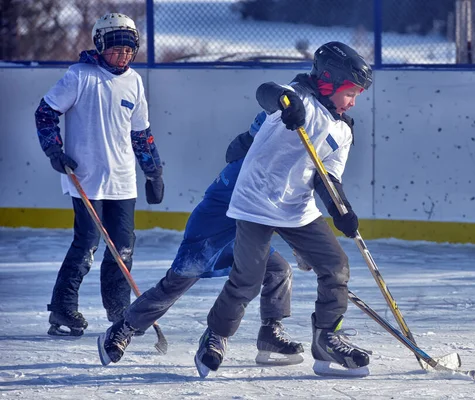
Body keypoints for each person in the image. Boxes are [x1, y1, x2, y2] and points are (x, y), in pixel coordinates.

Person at [196, 42, 374, 378]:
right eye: (351, 92)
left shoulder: (343, 130)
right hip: (256, 203)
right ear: (330, 81)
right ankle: (216, 335)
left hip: (297, 209)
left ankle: (326, 340)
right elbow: (267, 92)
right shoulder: (297, 97)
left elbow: (328, 177)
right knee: (248, 280)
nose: (353, 101)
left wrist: (342, 210)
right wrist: (284, 104)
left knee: (336, 267)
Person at [97, 112, 305, 369]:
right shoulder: (250, 167)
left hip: (243, 232)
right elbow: (274, 211)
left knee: (278, 270)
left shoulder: (271, 161)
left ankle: (269, 334)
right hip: (209, 234)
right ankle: (123, 328)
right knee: (176, 284)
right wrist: (304, 249)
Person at [35, 13, 164, 336]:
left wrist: (153, 171)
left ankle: (119, 309)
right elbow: (46, 113)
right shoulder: (79, 76)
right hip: (85, 178)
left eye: (128, 50)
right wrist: (54, 150)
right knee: (87, 244)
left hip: (123, 180)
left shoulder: (134, 81)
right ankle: (63, 309)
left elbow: (141, 134)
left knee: (123, 248)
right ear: (100, 45)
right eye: (115, 49)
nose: (122, 55)